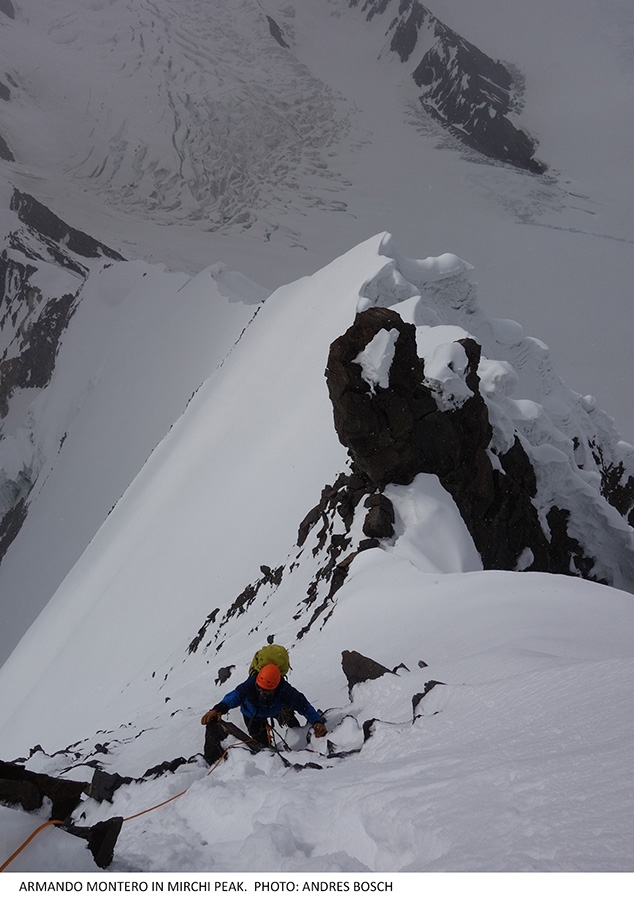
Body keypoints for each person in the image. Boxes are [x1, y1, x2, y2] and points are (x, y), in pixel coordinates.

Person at [201, 663, 327, 747]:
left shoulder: (286, 692)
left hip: (275, 709)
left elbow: (303, 706)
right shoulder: (251, 684)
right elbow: (235, 696)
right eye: (259, 689)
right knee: (262, 746)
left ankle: (296, 737)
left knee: (292, 723)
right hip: (252, 714)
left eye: (265, 691)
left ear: (275, 688)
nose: (261, 692)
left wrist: (317, 722)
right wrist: (218, 709)